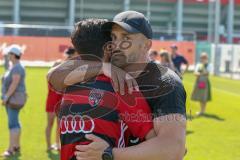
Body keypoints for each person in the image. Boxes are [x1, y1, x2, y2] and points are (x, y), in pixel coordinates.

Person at [48, 11, 186, 160]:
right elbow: (53, 76)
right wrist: (102, 67)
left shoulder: (165, 83)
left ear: (146, 45)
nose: (117, 45)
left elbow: (173, 149)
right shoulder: (106, 69)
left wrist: (108, 154)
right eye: (113, 37)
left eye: (126, 38)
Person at [45, 47, 77, 151]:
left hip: (62, 101)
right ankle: (49, 146)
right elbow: (48, 76)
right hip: (52, 99)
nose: (69, 58)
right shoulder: (57, 64)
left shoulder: (72, 68)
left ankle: (57, 144)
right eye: (69, 56)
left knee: (60, 125)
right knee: (50, 123)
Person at [1, 44, 26, 157]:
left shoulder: (17, 67)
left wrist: (6, 97)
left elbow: (14, 84)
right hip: (14, 99)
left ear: (14, 55)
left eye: (9, 54)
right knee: (15, 122)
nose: (8, 56)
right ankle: (16, 145)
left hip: (13, 99)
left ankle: (10, 149)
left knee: (12, 124)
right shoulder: (14, 65)